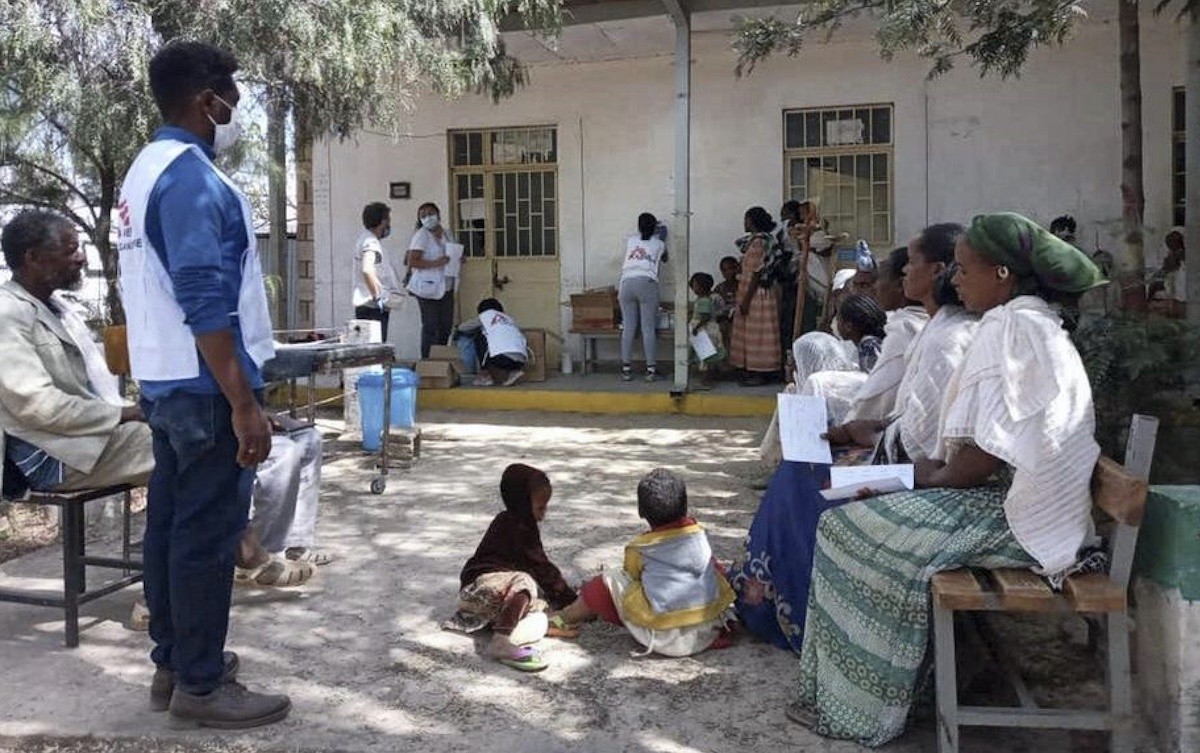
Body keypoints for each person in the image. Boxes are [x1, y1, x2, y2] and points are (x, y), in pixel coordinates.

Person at [790, 212, 1105, 745]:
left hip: (1020, 518)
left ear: (1001, 274)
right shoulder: (1026, 321)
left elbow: (981, 459)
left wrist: (921, 480)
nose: (954, 280)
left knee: (844, 529)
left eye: (964, 269)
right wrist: (919, 475)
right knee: (857, 513)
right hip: (1030, 505)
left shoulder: (1009, 328)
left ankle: (866, 706)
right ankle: (918, 676)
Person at [117, 41, 289, 728]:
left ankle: (175, 662)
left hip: (165, 379)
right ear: (206, 101)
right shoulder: (189, 178)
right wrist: (243, 401)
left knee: (169, 527)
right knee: (208, 536)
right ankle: (200, 682)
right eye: (233, 100)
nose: (238, 114)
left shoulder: (142, 173)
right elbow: (200, 291)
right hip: (205, 386)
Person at [735, 223, 974, 655]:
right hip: (909, 460)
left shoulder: (944, 337)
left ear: (937, 271)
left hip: (920, 476)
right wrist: (868, 430)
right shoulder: (936, 328)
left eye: (911, 264)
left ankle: (799, 617)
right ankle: (775, 598)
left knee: (802, 482)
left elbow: (921, 441)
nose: (903, 274)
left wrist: (868, 436)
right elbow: (911, 417)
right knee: (800, 467)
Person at [0, 210, 155, 498]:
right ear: (33, 257)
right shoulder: (7, 313)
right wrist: (124, 413)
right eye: (70, 250)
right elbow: (37, 405)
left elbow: (88, 381)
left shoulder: (57, 307)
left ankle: (184, 524)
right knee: (185, 444)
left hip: (79, 439)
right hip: (49, 456)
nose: (81, 258)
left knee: (189, 437)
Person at [552, 469, 735, 657]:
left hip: (665, 638)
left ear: (641, 512)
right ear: (685, 506)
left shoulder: (641, 547)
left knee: (609, 578)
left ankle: (563, 617)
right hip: (707, 631)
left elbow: (632, 576)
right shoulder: (699, 535)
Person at [455, 464, 577, 672]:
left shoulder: (509, 520)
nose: (543, 515)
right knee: (525, 582)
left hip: (488, 598)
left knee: (537, 603)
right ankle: (501, 641)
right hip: (478, 589)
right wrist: (569, 598)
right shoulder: (519, 526)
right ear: (523, 504)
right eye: (540, 508)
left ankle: (512, 626)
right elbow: (542, 568)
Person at [730, 207, 782, 386]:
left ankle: (760, 372)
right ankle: (751, 369)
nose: (744, 223)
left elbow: (756, 274)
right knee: (751, 333)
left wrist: (746, 300)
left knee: (758, 334)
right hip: (752, 292)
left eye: (746, 219)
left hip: (756, 294)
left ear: (752, 221)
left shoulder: (759, 243)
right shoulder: (757, 241)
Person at [618, 213, 668, 382]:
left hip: (626, 284)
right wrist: (662, 237)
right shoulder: (659, 243)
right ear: (654, 228)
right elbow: (665, 258)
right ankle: (651, 370)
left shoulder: (630, 240)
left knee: (628, 327)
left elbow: (641, 240)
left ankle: (626, 369)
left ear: (638, 227)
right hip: (647, 283)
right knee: (648, 328)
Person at [406, 202, 455, 358]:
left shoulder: (447, 234)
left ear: (438, 215)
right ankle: (427, 361)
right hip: (427, 289)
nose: (428, 218)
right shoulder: (421, 236)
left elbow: (452, 253)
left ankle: (440, 359)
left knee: (446, 326)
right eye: (423, 216)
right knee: (431, 326)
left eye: (431, 214)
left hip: (447, 286)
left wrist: (459, 258)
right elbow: (412, 261)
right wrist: (435, 263)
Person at [351, 202, 396, 339]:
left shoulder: (366, 239)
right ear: (383, 221)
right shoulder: (370, 242)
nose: (389, 224)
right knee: (375, 346)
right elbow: (367, 269)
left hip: (368, 304)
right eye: (388, 220)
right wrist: (378, 296)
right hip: (372, 306)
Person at [468, 298, 528, 387]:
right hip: (521, 360)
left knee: (479, 335)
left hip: (500, 359)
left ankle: (485, 375)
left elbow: (463, 327)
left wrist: (456, 328)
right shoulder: (509, 319)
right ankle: (514, 371)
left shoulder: (485, 315)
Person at [688, 273, 726, 387]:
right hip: (704, 330)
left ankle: (706, 379)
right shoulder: (704, 299)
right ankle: (709, 377)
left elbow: (705, 316)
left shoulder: (704, 300)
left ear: (702, 286)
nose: (693, 288)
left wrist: (696, 327)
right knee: (706, 355)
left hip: (704, 331)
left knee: (705, 355)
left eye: (695, 285)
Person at [1148, 227, 1186, 318]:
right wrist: (1165, 269)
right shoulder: (1168, 262)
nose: (1175, 250)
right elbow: (1153, 286)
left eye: (1177, 244)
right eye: (1171, 246)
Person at [713, 256, 740, 359]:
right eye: (724, 270)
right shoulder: (720, 288)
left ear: (737, 268)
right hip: (724, 321)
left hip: (739, 321)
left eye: (730, 268)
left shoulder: (742, 286)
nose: (728, 272)